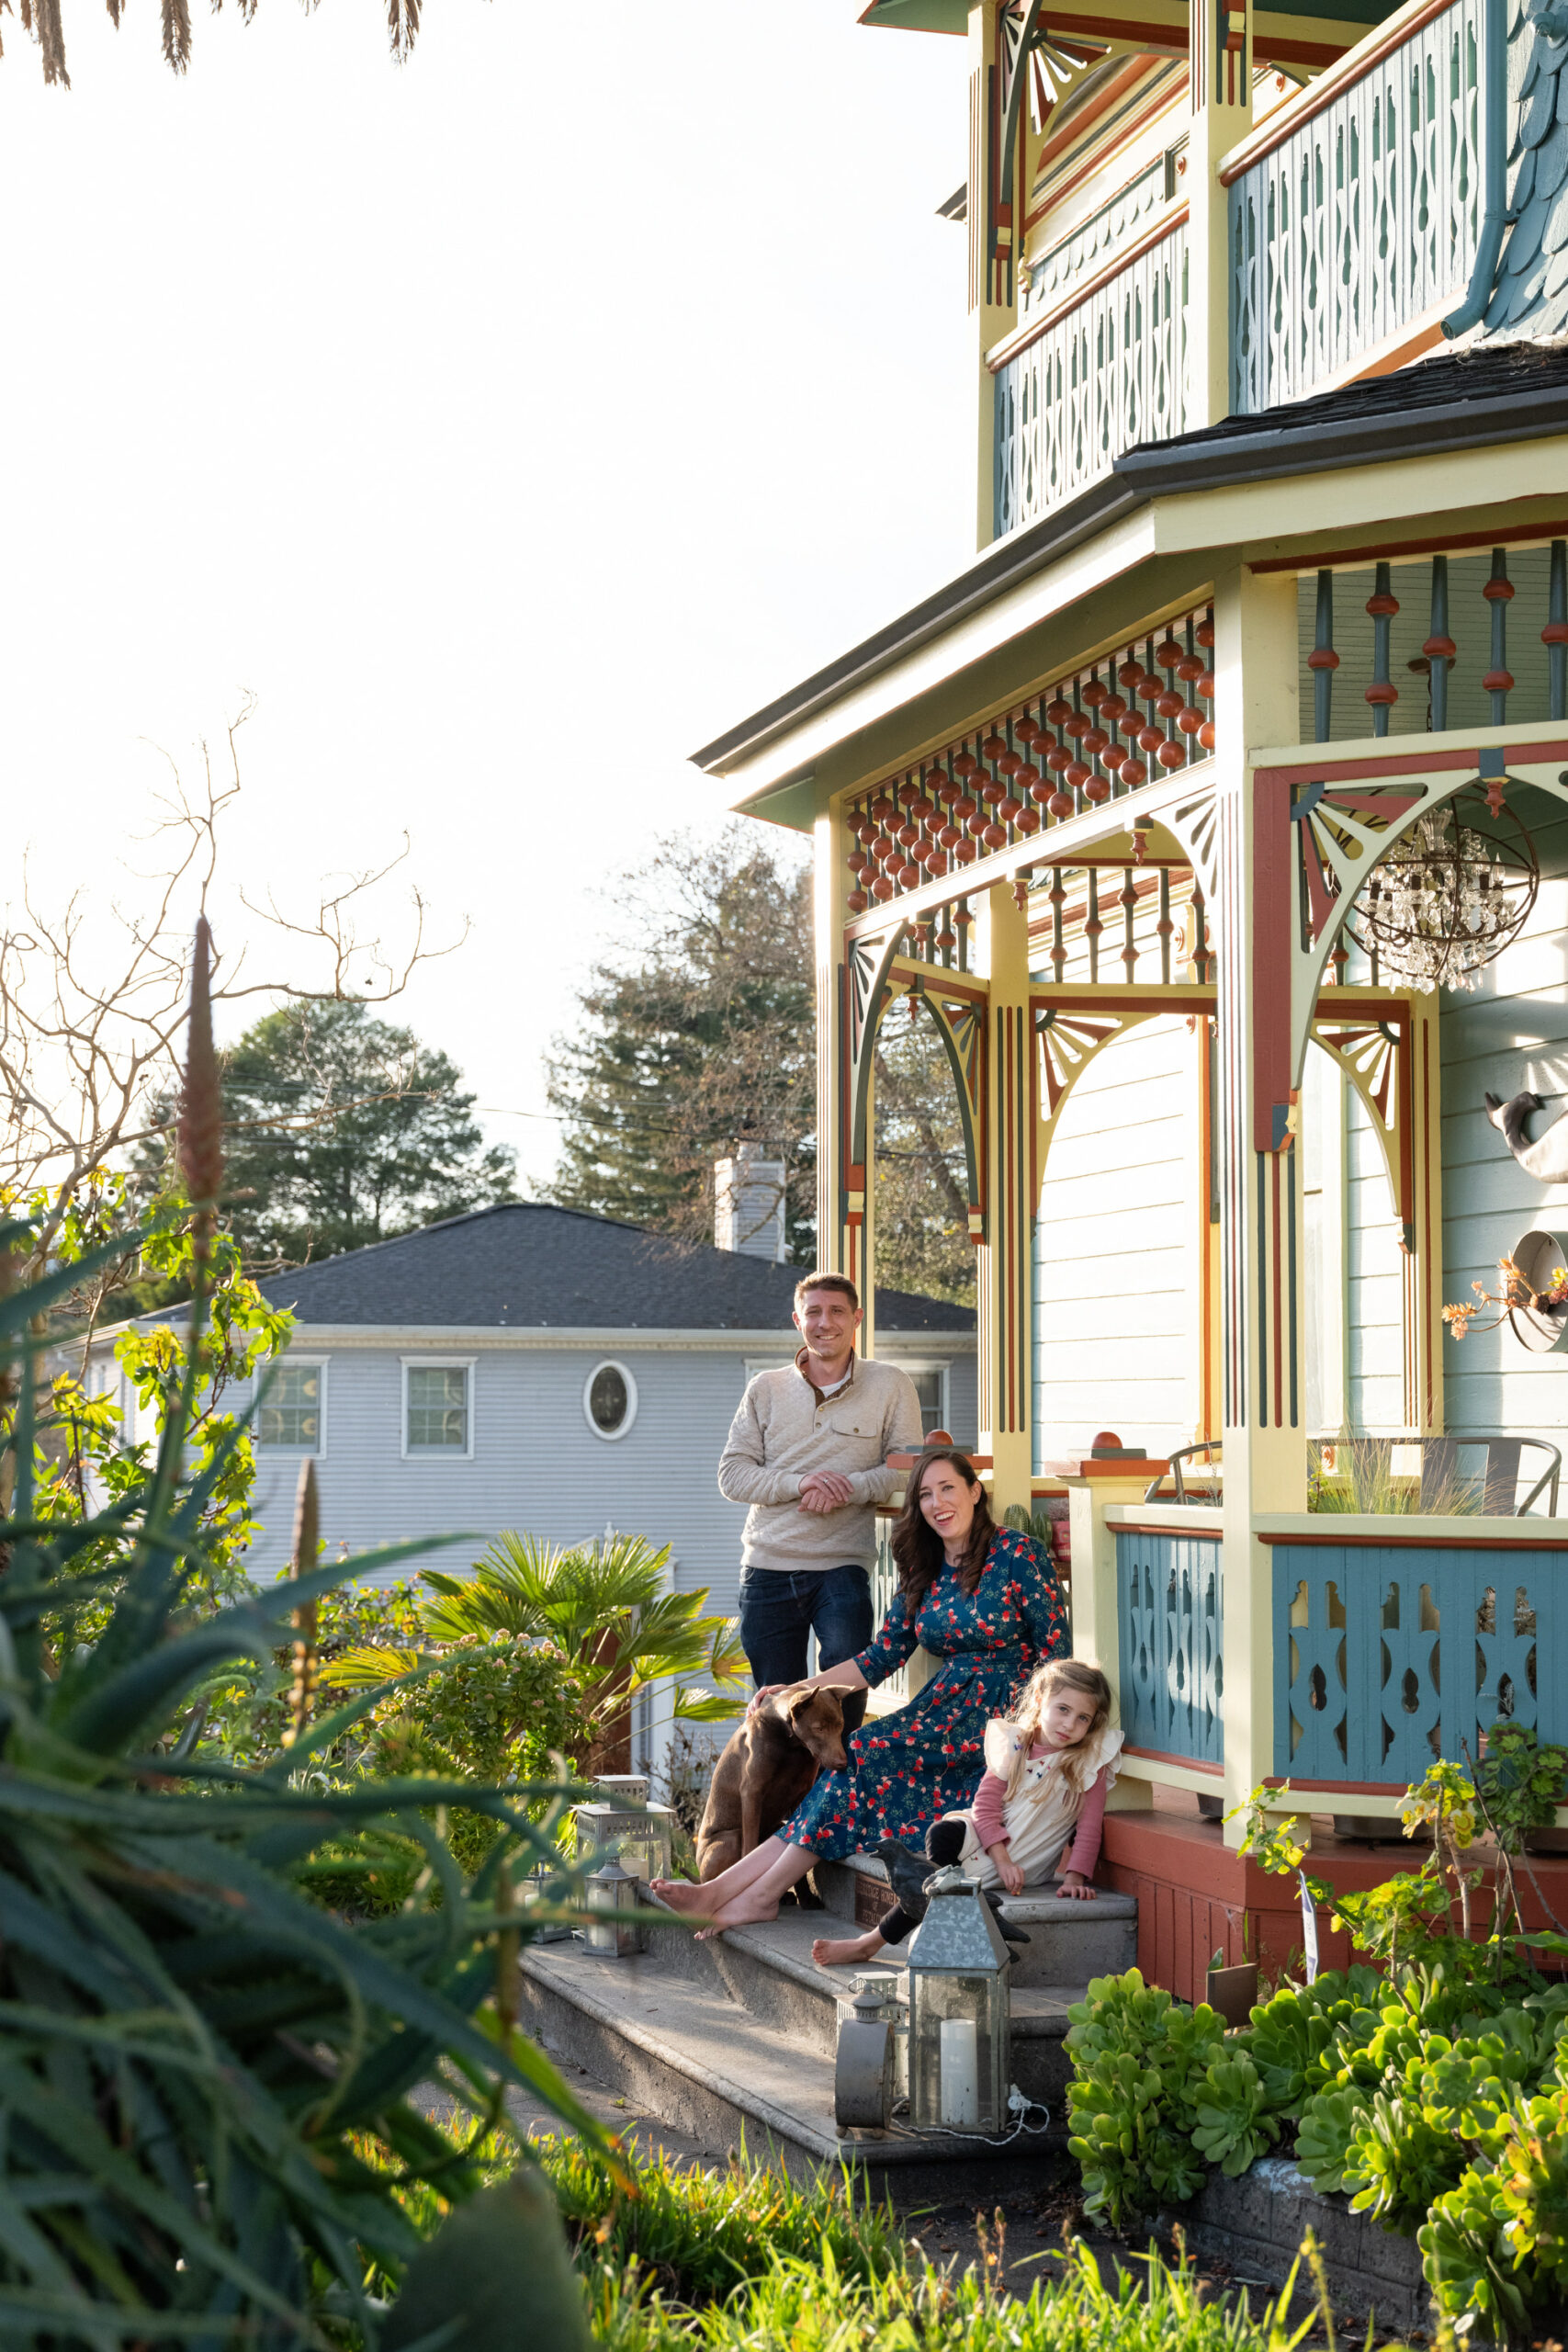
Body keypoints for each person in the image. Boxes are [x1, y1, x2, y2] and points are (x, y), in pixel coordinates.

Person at [654, 1444, 1069, 1932]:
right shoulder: (924, 1569)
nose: (938, 1503)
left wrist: (1033, 1733)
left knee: (863, 1753)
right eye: (926, 1495)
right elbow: (880, 1657)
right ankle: (736, 1891)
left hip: (1003, 1717)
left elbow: (1055, 1653)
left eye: (949, 1489)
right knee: (853, 1760)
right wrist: (799, 1687)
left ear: (975, 1492)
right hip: (945, 1708)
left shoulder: (1018, 1554)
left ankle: (742, 1892)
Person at [809, 1657, 1121, 1969]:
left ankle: (869, 1943)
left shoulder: (1088, 1763)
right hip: (989, 1842)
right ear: (1040, 1700)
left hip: (1027, 1857)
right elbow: (984, 1807)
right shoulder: (1015, 1745)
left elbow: (1090, 1826)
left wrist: (1074, 1877)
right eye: (1063, 1709)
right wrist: (1000, 1857)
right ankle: (932, 1900)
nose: (1069, 1724)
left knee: (935, 1881)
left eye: (1083, 1718)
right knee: (941, 1836)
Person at [716, 1271, 923, 1735]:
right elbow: (732, 1475)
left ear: (857, 1319)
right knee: (775, 1711)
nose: (824, 1322)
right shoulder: (765, 1389)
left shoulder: (891, 1385)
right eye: (813, 1312)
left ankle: (836, 1799)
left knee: (843, 1698)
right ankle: (786, 1807)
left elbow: (906, 1467)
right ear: (797, 1320)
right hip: (767, 1569)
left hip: (842, 1567)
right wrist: (802, 1481)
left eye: (836, 1311)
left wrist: (846, 1486)